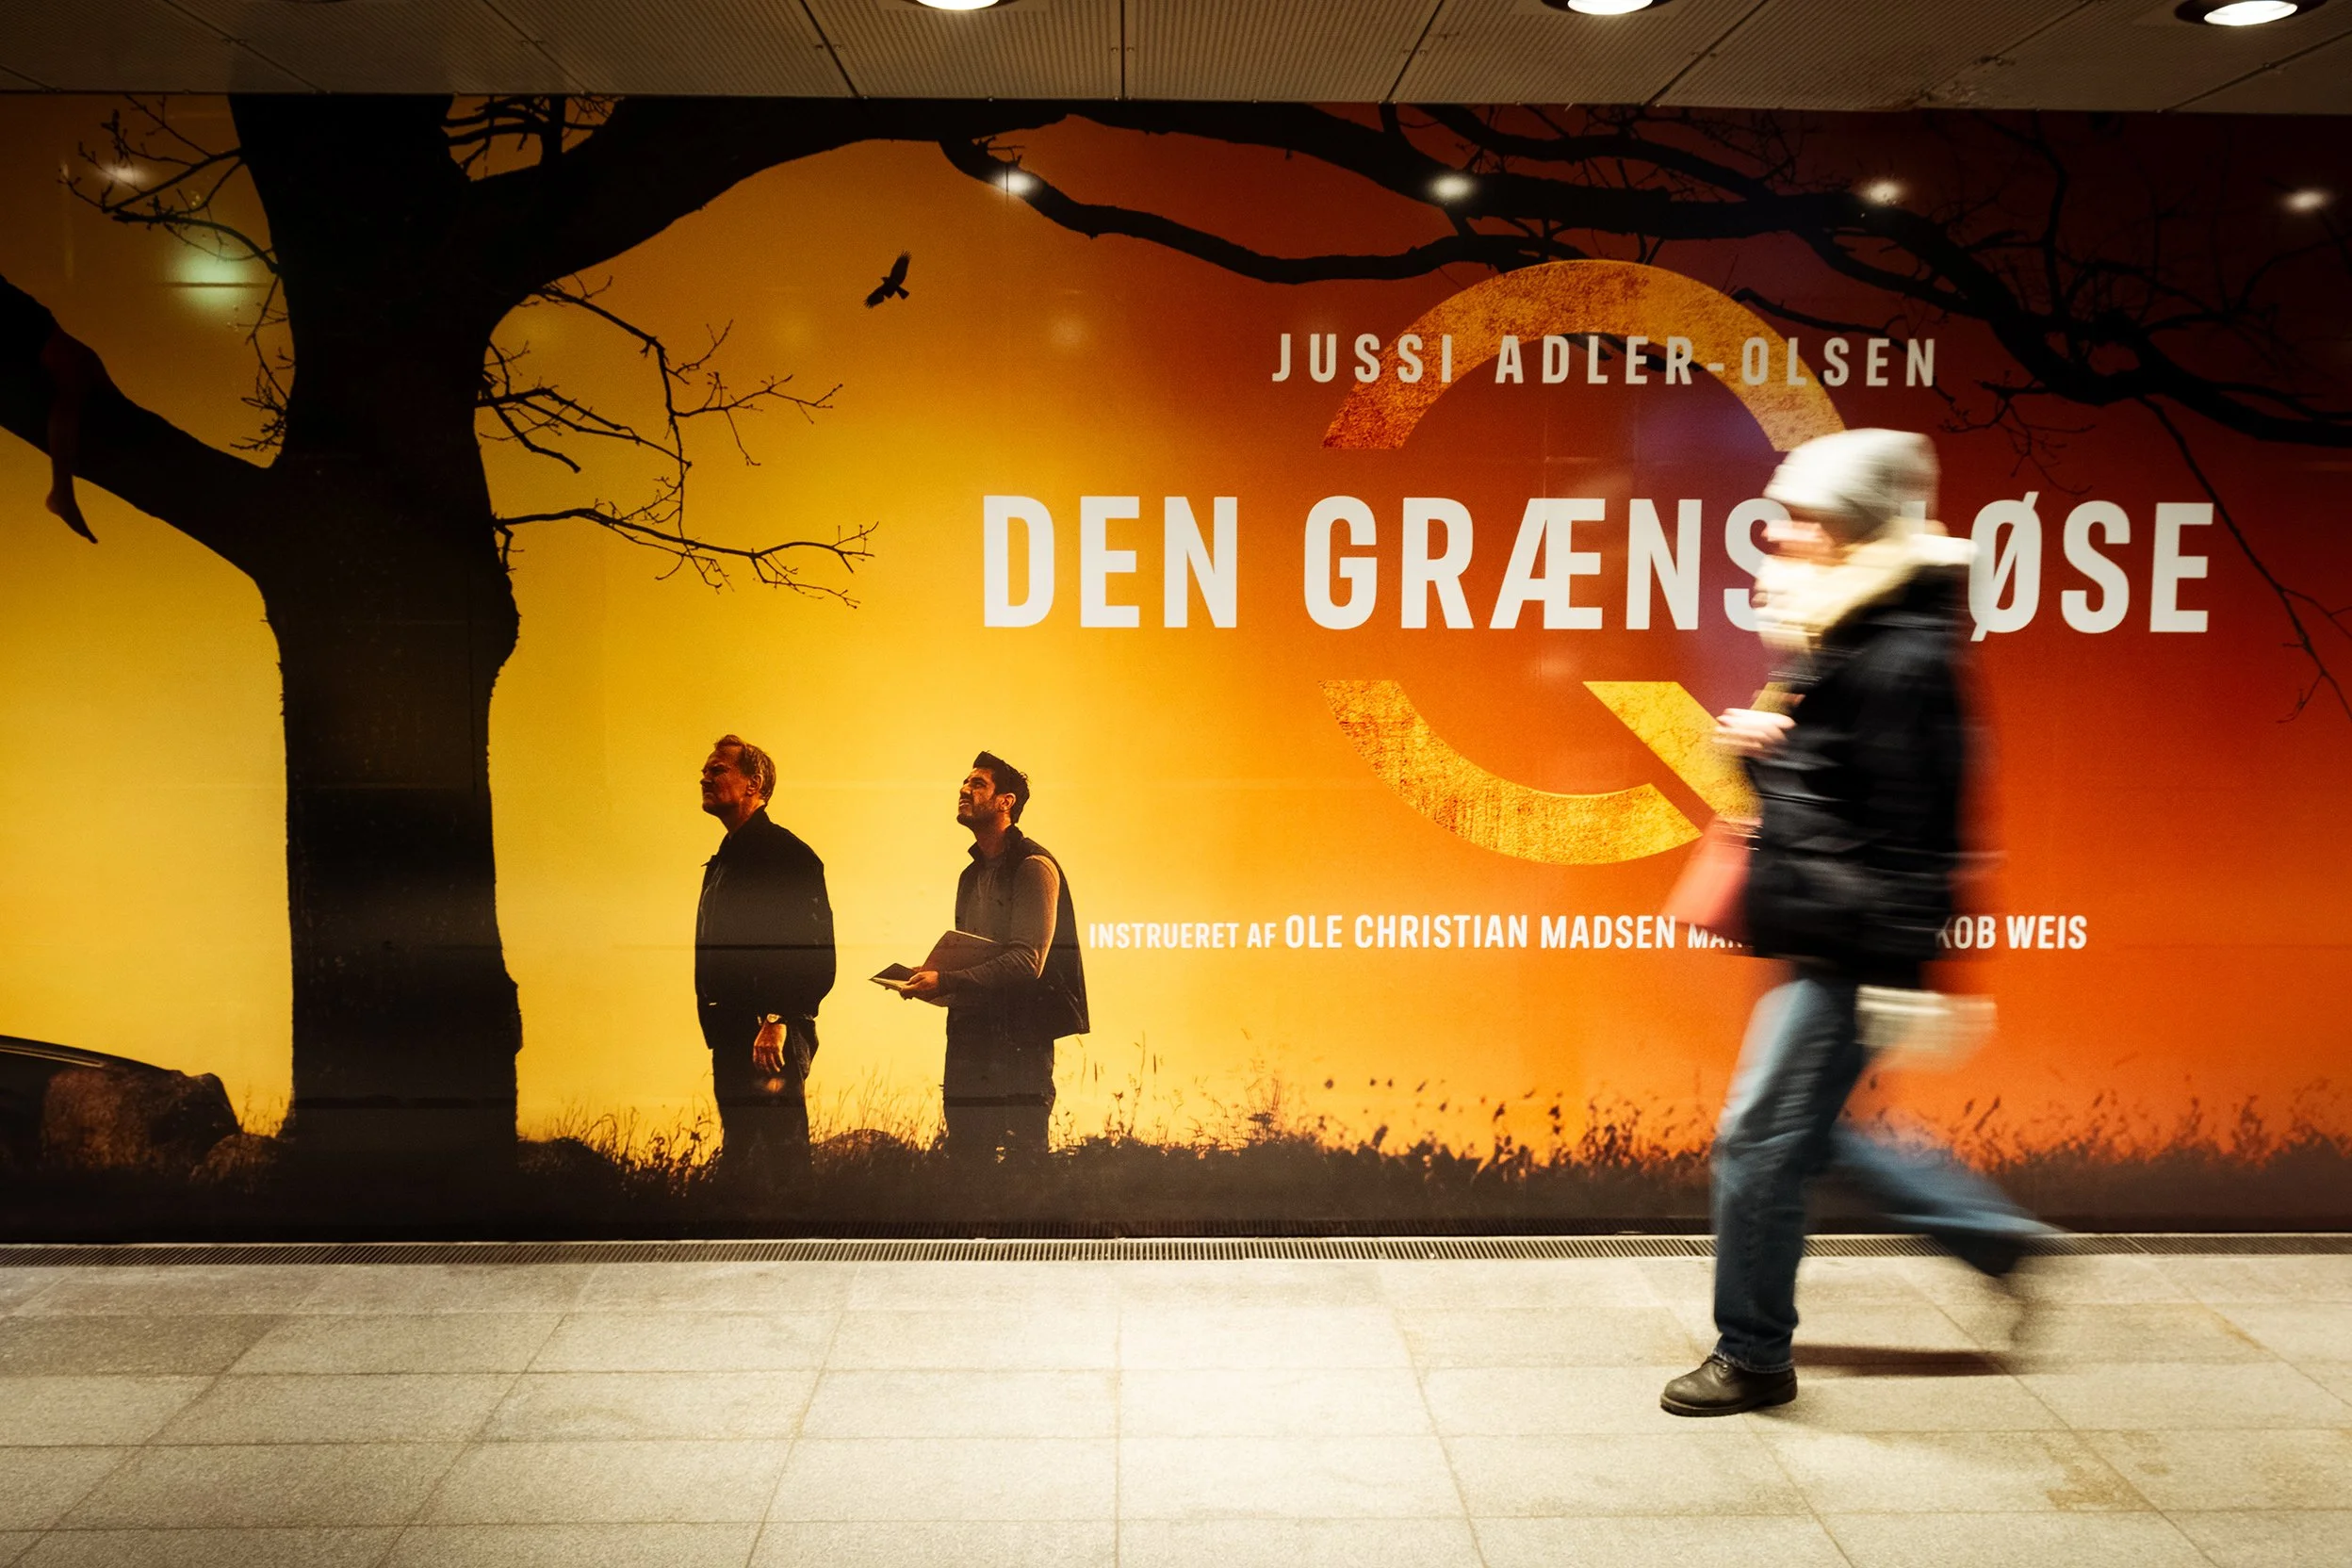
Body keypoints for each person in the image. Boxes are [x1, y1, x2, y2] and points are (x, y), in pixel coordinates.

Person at [1661, 429, 2051, 1417]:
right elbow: (1836, 793)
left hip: (1854, 942)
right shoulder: (1849, 630)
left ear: (1855, 527)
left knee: (1757, 1139)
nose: (1785, 535)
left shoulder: (1905, 654)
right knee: (1805, 1133)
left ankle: (1753, 1352)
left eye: (1805, 518)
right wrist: (1765, 752)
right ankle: (1992, 1236)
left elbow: (1925, 828)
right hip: (1822, 922)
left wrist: (1902, 975)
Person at [899, 752, 1087, 1160]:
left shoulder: (1034, 865)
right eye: (964, 784)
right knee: (966, 1156)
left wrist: (945, 981)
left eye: (977, 784)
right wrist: (929, 974)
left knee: (1024, 1158)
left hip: (1019, 1037)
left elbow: (1026, 961)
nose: (964, 791)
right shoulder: (970, 874)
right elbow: (972, 954)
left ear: (1007, 802)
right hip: (969, 1035)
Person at [694, 734, 834, 1184]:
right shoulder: (724, 861)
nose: (705, 776)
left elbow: (814, 952)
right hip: (733, 1032)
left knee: (783, 1162)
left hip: (769, 1033)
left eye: (718, 770)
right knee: (742, 1164)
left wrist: (777, 1019)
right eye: (706, 770)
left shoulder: (786, 854)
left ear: (753, 784)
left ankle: (800, 1249)